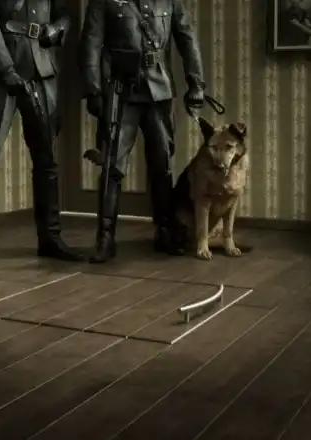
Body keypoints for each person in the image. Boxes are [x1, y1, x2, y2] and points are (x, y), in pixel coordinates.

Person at [79, 0, 205, 264]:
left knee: (162, 163)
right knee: (112, 165)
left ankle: (164, 231)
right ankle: (105, 238)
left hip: (159, 89)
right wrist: (93, 89)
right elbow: (91, 43)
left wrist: (196, 83)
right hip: (120, 92)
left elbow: (187, 38)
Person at [0, 0, 84, 277]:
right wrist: (6, 70)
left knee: (47, 160)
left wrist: (57, 29)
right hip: (1, 72)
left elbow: (64, 14)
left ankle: (50, 238)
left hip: (42, 67)